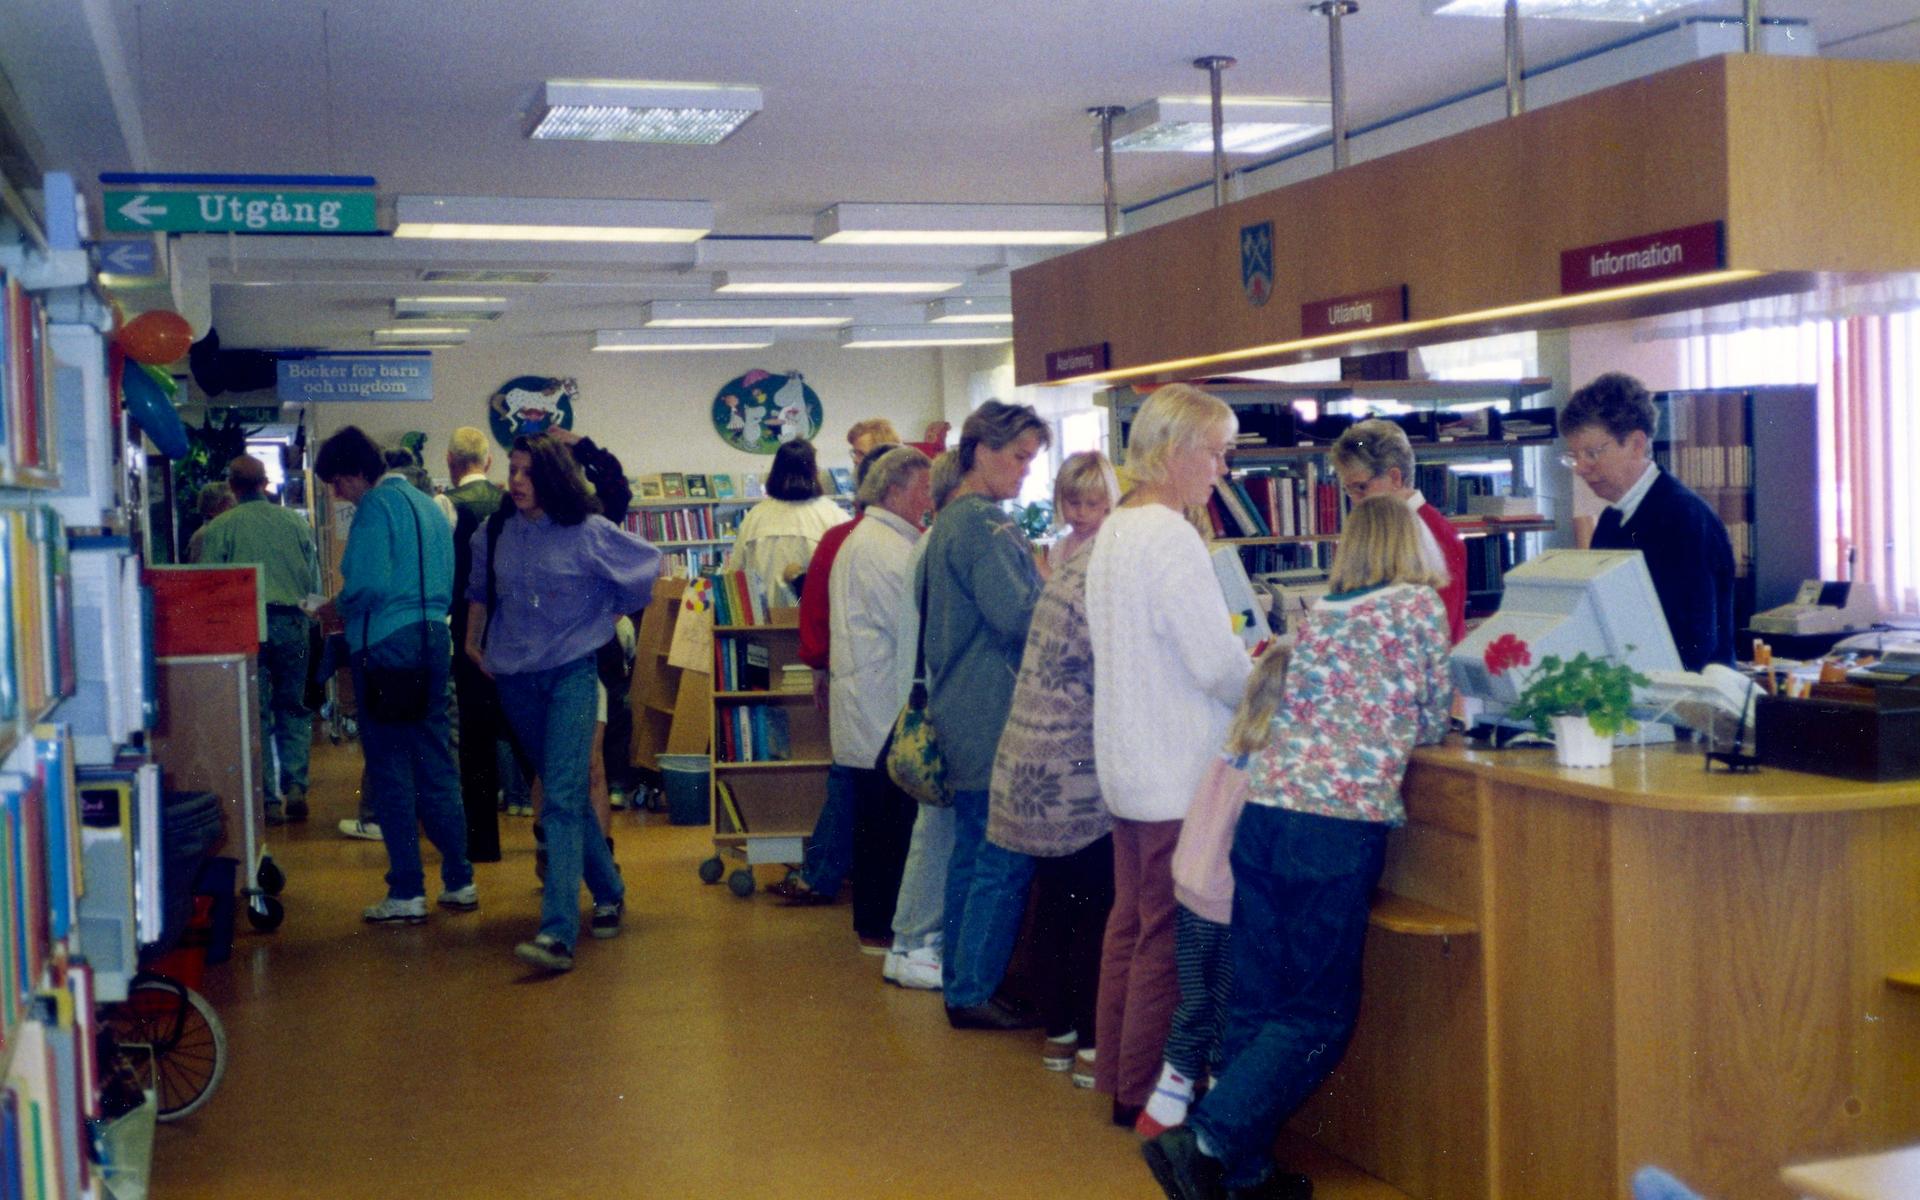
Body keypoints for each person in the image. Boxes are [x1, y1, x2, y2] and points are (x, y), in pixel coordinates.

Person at [1141, 495, 1453, 1200]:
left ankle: (1244, 1175)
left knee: (1259, 1000)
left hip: (1267, 816)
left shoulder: (1323, 613)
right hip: (1334, 826)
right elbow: (1431, 716)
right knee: (1318, 1013)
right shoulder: (1418, 609)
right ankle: (1209, 1139)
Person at [1086, 383, 1253, 1126]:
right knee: (1167, 938)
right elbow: (1214, 666)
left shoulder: (1118, 528)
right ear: (1177, 451)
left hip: (1126, 765)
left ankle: (1119, 1079)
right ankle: (1144, 1090)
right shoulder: (1172, 535)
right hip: (1173, 769)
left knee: (1131, 924)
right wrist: (1261, 677)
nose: (1221, 470)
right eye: (1216, 453)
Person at [468, 434, 660, 973]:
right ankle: (610, 890)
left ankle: (556, 934)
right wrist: (472, 639)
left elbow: (646, 567)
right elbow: (480, 590)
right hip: (515, 677)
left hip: (573, 673)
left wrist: (606, 613)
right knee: (562, 793)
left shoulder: (588, 531)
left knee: (562, 796)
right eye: (513, 469)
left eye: (528, 471)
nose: (517, 480)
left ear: (552, 477)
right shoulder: (496, 530)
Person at [984, 451, 1120, 1081]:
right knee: (1088, 905)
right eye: (1074, 503)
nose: (1084, 516)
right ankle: (1086, 1037)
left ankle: (1063, 1034)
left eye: (1094, 504)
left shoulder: (1057, 563)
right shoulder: (1098, 565)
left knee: (1057, 904)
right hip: (1072, 765)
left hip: (1034, 758)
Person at [918, 400, 1051, 1030]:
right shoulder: (985, 527)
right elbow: (1020, 617)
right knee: (1000, 855)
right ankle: (972, 988)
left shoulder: (949, 522)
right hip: (994, 709)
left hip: (960, 706)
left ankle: (963, 981)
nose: (1026, 471)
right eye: (1020, 457)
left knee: (972, 850)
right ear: (982, 451)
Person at [313, 427, 475, 925]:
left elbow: (366, 584)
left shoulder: (374, 510)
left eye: (339, 483)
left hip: (384, 644)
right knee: (437, 764)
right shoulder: (431, 506)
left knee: (390, 770)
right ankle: (460, 879)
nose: (338, 495)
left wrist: (331, 607)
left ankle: (406, 889)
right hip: (434, 640)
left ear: (358, 473)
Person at [1138, 645, 1291, 1138]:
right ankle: (1222, 1117)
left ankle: (1164, 1106)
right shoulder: (1271, 768)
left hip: (1191, 896)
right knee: (1231, 1009)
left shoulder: (1228, 751)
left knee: (1194, 1002)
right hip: (1228, 907)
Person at [770, 442, 896, 909]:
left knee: (851, 775)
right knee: (853, 776)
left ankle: (824, 873)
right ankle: (824, 873)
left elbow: (816, 610)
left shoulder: (843, 537)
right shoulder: (864, 537)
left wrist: (817, 661)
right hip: (876, 685)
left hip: (855, 680)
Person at [829, 447, 933, 951]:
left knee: (877, 823)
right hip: (881, 707)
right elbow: (914, 625)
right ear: (894, 491)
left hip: (870, 704)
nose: (929, 499)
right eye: (923, 489)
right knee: (887, 825)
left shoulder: (872, 540)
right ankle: (880, 927)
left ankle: (876, 924)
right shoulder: (886, 549)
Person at [1564, 372, 1735, 672]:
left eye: (1591, 453)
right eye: (1574, 456)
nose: (1580, 468)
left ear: (1636, 443)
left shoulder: (1685, 518)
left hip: (1686, 704)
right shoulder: (1610, 521)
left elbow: (1695, 643)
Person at [881, 450, 965, 990]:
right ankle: (913, 940)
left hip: (926, 700)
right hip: (940, 705)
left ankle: (911, 939)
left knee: (933, 828)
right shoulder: (944, 545)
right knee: (937, 828)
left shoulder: (929, 543)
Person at [199, 455, 320, 823]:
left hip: (245, 625)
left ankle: (267, 799)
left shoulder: (222, 527)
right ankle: (296, 785)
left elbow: (210, 586)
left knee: (256, 713)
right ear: (265, 484)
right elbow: (312, 581)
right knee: (294, 706)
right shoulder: (294, 523)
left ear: (233, 487)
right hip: (292, 621)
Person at [1331, 418, 1468, 644]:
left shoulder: (1435, 535)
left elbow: (1436, 632)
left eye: (1361, 488)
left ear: (1395, 478)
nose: (1355, 501)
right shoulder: (1383, 530)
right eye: (1349, 490)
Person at [441, 427, 510, 862]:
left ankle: (483, 842)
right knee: (525, 736)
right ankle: (544, 834)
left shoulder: (445, 505)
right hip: (514, 629)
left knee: (475, 738)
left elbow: (445, 570)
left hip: (467, 630)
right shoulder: (510, 504)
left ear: (450, 461)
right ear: (487, 462)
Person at [728, 438, 849, 609]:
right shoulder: (834, 515)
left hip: (764, 622)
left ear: (775, 472)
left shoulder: (755, 516)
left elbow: (736, 575)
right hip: (816, 620)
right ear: (814, 471)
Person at [1047, 450, 1119, 572]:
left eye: (1092, 504)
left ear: (1108, 501)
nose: (1082, 512)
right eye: (1074, 503)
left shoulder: (1112, 545)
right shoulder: (1058, 550)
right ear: (1060, 500)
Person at [185, 482, 235, 563]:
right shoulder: (206, 534)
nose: (234, 510)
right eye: (229, 505)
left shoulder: (222, 532)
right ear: (213, 508)